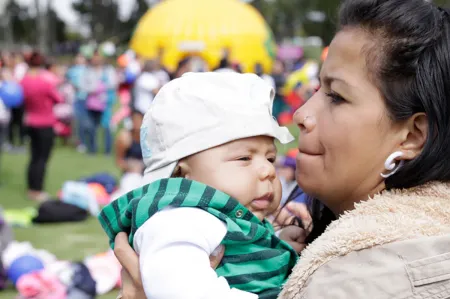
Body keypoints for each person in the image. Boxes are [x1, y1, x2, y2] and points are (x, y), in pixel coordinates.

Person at [112, 0, 450, 298]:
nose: (302, 115)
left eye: (336, 96)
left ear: (410, 136)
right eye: (317, 88)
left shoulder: (365, 278)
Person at [99, 72, 308, 299]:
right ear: (181, 173)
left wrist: (277, 246)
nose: (268, 171)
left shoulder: (218, 221)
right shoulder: (177, 222)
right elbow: (179, 290)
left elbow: (240, 261)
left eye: (270, 159)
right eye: (244, 159)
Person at [21, 52, 63, 201]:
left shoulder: (24, 81)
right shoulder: (45, 82)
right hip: (45, 123)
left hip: (30, 121)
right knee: (42, 158)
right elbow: (58, 98)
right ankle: (37, 190)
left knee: (33, 157)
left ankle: (31, 187)